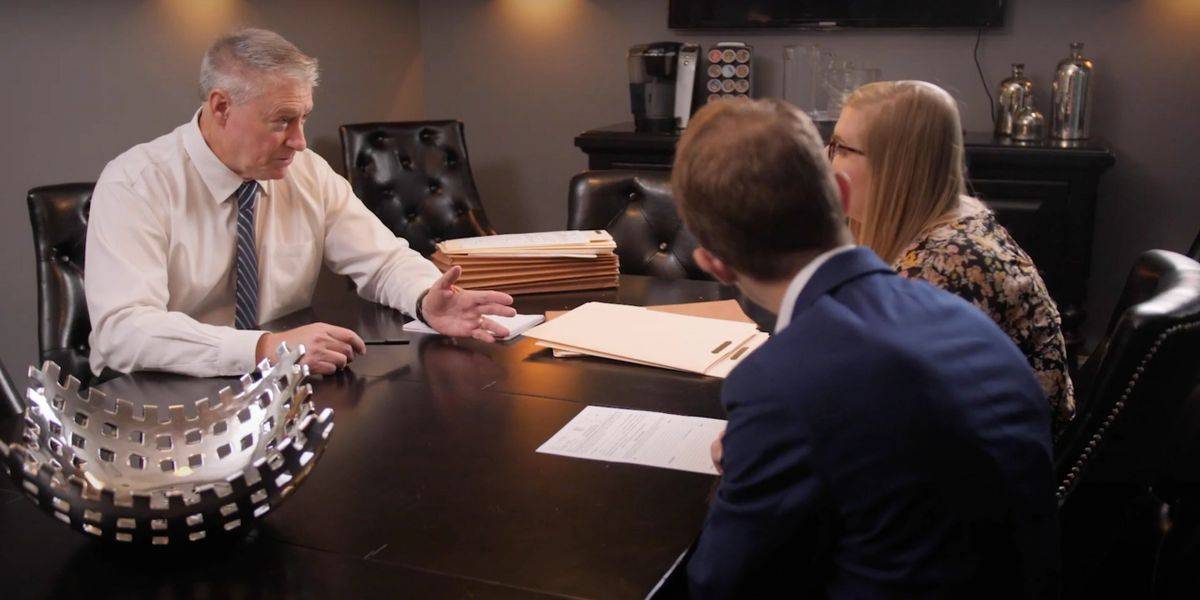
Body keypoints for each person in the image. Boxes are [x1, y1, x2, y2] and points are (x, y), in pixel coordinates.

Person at [673, 98, 1058, 598]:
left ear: (714, 263)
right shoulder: (962, 317)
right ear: (840, 192)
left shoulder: (779, 382)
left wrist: (747, 466)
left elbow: (719, 584)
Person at [85, 28, 514, 377]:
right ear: (221, 107)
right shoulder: (135, 184)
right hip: (158, 396)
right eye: (282, 121)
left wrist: (425, 298)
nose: (299, 141)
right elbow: (124, 330)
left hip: (280, 380)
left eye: (303, 117)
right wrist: (261, 348)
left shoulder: (306, 171)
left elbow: (382, 261)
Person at [830, 80, 1074, 432]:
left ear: (897, 166)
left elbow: (888, 413)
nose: (827, 156)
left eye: (842, 148)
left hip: (991, 472)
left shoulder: (946, 266)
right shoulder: (950, 226)